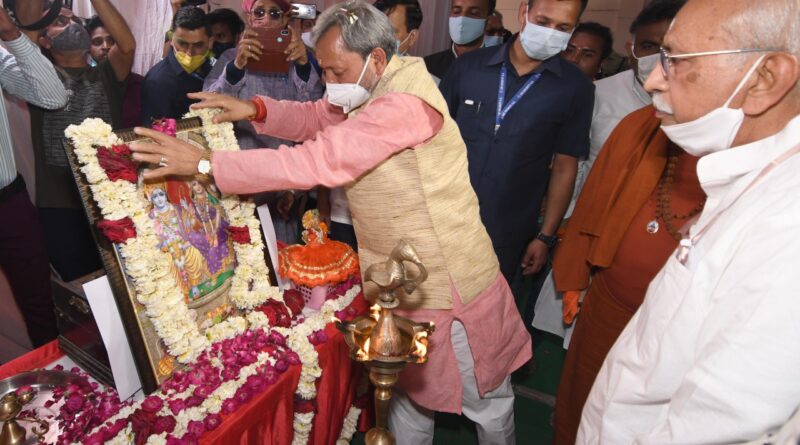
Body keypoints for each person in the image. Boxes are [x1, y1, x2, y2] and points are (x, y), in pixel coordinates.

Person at [129, 2, 532, 444]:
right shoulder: (370, 87)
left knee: (484, 397)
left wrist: (208, 165)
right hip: (399, 278)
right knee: (406, 392)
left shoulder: (405, 105)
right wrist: (256, 109)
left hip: (446, 282)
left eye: (337, 71)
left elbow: (321, 159)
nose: (330, 83)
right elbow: (321, 116)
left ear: (377, 58)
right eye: (325, 71)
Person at [578, 0, 800, 442]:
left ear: (764, 78)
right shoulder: (750, 175)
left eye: (675, 60)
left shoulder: (786, 228)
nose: (655, 78)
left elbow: (717, 422)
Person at [549, 106, 705, 444]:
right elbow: (594, 200)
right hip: (610, 303)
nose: (654, 76)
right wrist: (577, 273)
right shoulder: (644, 124)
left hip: (685, 334)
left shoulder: (767, 159)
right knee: (582, 402)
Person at [440, 0, 593, 287]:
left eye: (563, 27)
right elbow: (431, 139)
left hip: (507, 234)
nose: (550, 33)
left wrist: (544, 237)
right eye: (543, 22)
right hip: (443, 218)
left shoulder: (576, 88)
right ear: (524, 12)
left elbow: (564, 166)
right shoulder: (469, 67)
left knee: (487, 320)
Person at [203, 0, 324, 245]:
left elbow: (317, 119)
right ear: (249, 19)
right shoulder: (229, 58)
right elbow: (208, 107)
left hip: (281, 185)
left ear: (285, 20)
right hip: (235, 184)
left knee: (281, 265)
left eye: (274, 13)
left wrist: (302, 66)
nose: (266, 19)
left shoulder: (299, 59)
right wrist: (237, 66)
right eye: (259, 12)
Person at [32, 0, 135, 282]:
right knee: (80, 285)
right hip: (59, 204)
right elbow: (25, 46)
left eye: (72, 19)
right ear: (45, 41)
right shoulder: (37, 77)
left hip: (107, 198)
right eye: (59, 22)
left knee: (121, 281)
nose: (72, 25)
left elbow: (126, 45)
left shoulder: (105, 74)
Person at [0, 3, 67, 347]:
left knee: (39, 305)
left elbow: (53, 97)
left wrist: (11, 34)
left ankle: (54, 389)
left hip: (9, 202)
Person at [142, 6, 214, 125]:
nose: (189, 53)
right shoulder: (158, 81)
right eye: (183, 44)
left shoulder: (214, 71)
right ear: (171, 38)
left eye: (198, 45)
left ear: (210, 42)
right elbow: (155, 134)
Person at [85, 15, 144, 128]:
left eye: (112, 40)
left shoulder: (140, 84)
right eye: (97, 42)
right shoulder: (83, 87)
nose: (106, 46)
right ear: (88, 49)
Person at [423, 0, 495, 82]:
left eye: (474, 13)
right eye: (456, 11)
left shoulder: (499, 70)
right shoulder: (426, 66)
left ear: (488, 21)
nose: (462, 18)